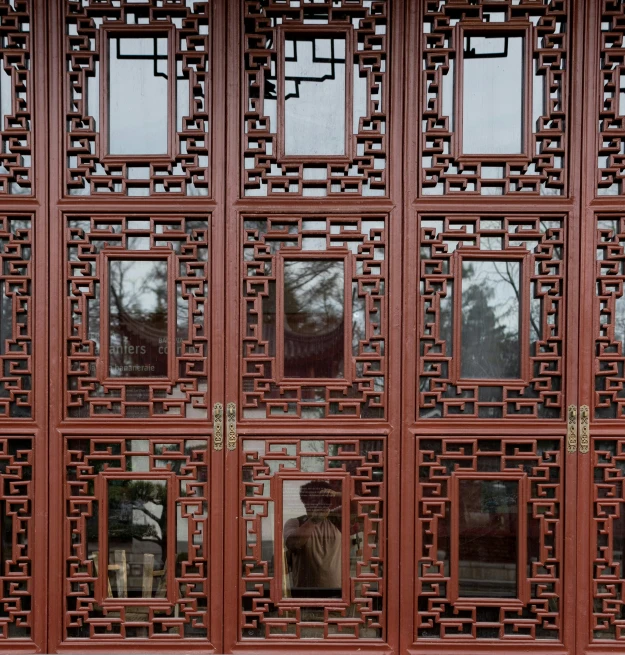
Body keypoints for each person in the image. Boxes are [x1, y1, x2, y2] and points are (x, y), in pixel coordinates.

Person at [283, 480, 342, 598]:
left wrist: (337, 494)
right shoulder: (295, 522)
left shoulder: (335, 520)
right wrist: (314, 520)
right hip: (305, 593)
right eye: (313, 501)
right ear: (305, 503)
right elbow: (292, 544)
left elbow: (362, 505)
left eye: (321, 500)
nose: (317, 505)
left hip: (336, 593)